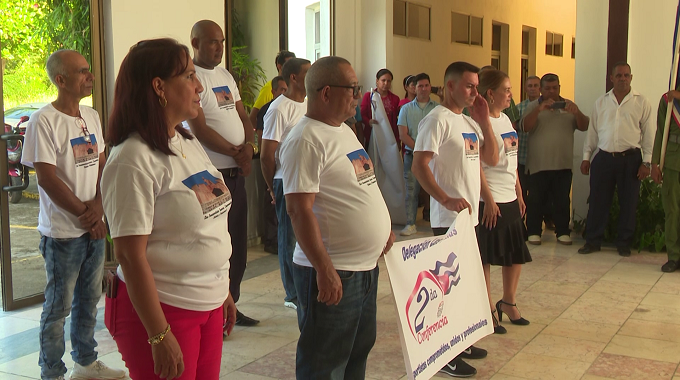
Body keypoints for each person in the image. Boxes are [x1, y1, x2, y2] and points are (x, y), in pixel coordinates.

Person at [100, 38, 237, 380]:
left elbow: (210, 223)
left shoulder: (185, 140)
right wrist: (158, 334)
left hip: (205, 300)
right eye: (189, 76)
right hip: (162, 309)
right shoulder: (133, 158)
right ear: (159, 86)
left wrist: (221, 289)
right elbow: (130, 256)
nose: (199, 86)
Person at [280, 56, 395, 379]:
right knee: (325, 363)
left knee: (357, 353)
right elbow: (298, 210)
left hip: (363, 269)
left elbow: (362, 182)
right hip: (335, 272)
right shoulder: (305, 139)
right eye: (353, 89)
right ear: (327, 93)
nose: (358, 95)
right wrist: (325, 269)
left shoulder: (342, 130)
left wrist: (381, 227)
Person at [21, 50, 126, 380]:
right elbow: (48, 178)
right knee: (58, 308)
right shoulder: (43, 121)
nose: (90, 76)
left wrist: (99, 206)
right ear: (60, 80)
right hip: (63, 235)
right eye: (82, 72)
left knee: (89, 299)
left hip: (92, 228)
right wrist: (89, 215)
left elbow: (101, 163)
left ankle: (86, 363)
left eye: (89, 70)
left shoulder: (92, 115)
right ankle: (52, 372)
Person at [412, 61, 499, 378]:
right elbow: (419, 166)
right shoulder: (436, 119)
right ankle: (445, 353)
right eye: (469, 86)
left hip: (469, 218)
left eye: (477, 86)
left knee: (464, 285)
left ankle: (460, 342)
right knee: (446, 287)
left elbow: (488, 160)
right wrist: (444, 198)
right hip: (448, 217)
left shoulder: (468, 122)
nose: (475, 92)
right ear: (449, 86)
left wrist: (485, 121)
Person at [185, 20, 259, 326]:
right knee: (215, 244)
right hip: (212, 174)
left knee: (236, 245)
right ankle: (212, 309)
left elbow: (243, 115)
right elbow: (199, 129)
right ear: (195, 43)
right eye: (213, 42)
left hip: (236, 173)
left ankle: (232, 304)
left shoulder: (226, 75)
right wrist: (236, 151)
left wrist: (250, 146)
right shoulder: (192, 77)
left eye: (222, 41)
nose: (219, 47)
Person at [476, 69, 532, 335]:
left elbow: (513, 160)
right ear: (491, 93)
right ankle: (486, 309)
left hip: (510, 195)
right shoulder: (479, 122)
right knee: (486, 256)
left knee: (514, 254)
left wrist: (520, 193)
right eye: (506, 89)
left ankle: (508, 301)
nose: (510, 94)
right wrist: (487, 198)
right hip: (490, 198)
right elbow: (476, 166)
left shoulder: (507, 120)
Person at [579, 62, 654, 257]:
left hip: (630, 159)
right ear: (611, 78)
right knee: (597, 201)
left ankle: (623, 243)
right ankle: (593, 241)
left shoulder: (641, 102)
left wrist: (646, 162)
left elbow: (648, 135)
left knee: (628, 203)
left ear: (631, 77)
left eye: (626, 75)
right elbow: (593, 132)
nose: (623, 79)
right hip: (604, 158)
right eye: (619, 75)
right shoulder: (601, 102)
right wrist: (587, 156)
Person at [261, 57, 311, 310]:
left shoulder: (308, 105)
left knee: (308, 235)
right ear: (293, 77)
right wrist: (272, 186)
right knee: (288, 237)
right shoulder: (279, 108)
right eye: (307, 73)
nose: (312, 76)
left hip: (308, 180)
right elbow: (267, 153)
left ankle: (305, 285)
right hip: (285, 179)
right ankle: (291, 293)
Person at [520, 73, 589, 245]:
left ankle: (563, 232)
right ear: (541, 89)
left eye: (555, 88)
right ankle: (534, 231)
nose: (551, 91)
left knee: (562, 200)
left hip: (563, 163)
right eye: (547, 88)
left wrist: (577, 112)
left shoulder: (569, 106)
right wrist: (539, 109)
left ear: (559, 87)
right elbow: (525, 127)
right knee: (535, 199)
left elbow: (585, 126)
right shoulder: (533, 106)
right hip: (538, 164)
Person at [398, 72, 438, 236]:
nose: (423, 88)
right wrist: (419, 149)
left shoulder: (437, 108)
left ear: (430, 87)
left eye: (426, 85)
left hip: (434, 157)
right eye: (419, 86)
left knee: (435, 190)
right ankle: (410, 223)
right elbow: (403, 134)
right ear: (414, 88)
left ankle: (437, 222)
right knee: (412, 191)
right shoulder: (406, 109)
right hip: (412, 156)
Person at [255, 76, 287, 255]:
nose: (283, 93)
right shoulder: (268, 109)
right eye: (280, 90)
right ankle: (271, 239)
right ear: (273, 92)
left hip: (283, 165)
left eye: (285, 89)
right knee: (270, 201)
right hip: (269, 160)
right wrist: (265, 156)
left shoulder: (289, 106)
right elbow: (261, 136)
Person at [652, 88, 680, 272]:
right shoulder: (668, 100)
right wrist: (655, 163)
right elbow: (661, 131)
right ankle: (674, 256)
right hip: (673, 160)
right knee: (672, 210)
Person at [249, 50, 296, 129]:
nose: (293, 68)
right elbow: (252, 117)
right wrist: (262, 134)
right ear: (279, 66)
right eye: (289, 65)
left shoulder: (295, 88)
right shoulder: (269, 88)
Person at [515, 76, 540, 205]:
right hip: (521, 158)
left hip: (538, 160)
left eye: (536, 85)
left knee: (537, 196)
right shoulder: (518, 108)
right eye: (530, 86)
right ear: (525, 88)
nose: (533, 89)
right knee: (521, 194)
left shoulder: (547, 106)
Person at [360, 68, 401, 148]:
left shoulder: (395, 98)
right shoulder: (369, 96)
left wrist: (397, 139)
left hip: (389, 137)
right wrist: (368, 121)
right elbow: (363, 114)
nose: (386, 83)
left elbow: (396, 120)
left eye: (388, 81)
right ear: (377, 81)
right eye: (383, 80)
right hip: (373, 136)